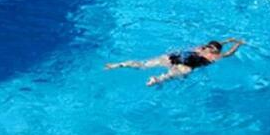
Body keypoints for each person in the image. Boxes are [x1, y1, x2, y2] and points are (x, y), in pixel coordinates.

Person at [105, 38, 246, 86]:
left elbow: (217, 44)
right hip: (187, 65)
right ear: (216, 50)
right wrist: (238, 44)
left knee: (144, 64)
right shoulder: (216, 56)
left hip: (175, 57)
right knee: (169, 76)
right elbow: (229, 53)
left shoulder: (201, 47)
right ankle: (156, 80)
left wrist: (229, 40)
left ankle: (119, 65)